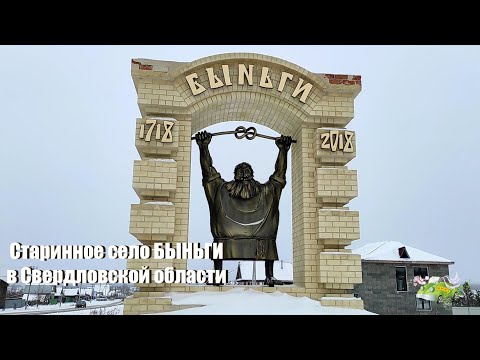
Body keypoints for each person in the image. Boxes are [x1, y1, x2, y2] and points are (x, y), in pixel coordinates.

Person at [195, 130, 292, 286]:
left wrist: (283, 150)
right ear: (235, 175)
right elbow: (208, 172)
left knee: (267, 239)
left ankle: (269, 275)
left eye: (247, 172)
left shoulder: (266, 191)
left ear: (252, 174)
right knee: (221, 243)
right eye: (241, 172)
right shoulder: (221, 190)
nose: (244, 175)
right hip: (227, 238)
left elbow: (279, 174)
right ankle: (218, 275)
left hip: (262, 240)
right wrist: (203, 147)